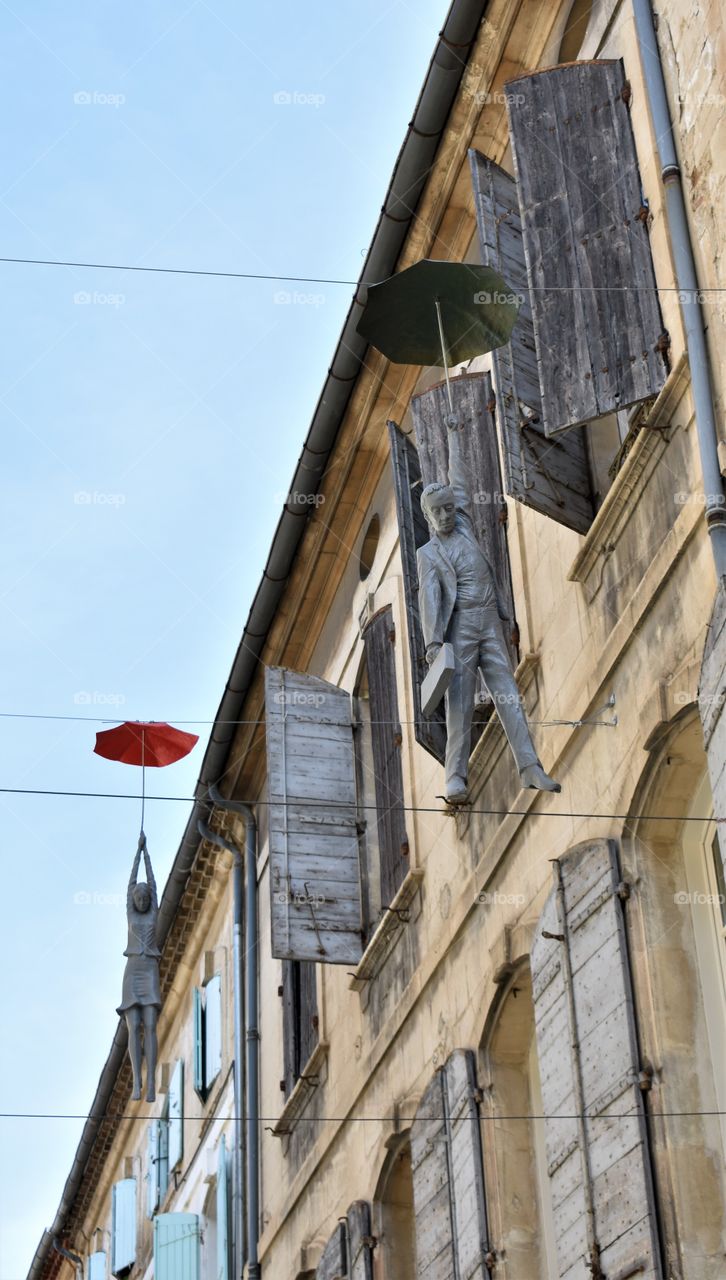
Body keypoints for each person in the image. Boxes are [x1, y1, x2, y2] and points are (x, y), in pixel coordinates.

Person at [417, 410, 561, 804]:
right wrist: (433, 643)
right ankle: (454, 779)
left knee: (508, 692)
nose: (446, 515)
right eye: (439, 512)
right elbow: (428, 595)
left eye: (449, 508)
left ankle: (530, 766)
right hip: (460, 626)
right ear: (428, 518)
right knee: (459, 703)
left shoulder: (461, 523)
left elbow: (459, 480)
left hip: (488, 622)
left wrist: (453, 435)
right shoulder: (429, 553)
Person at [117, 834, 161, 1101]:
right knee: (133, 1025)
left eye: (145, 898)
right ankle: (137, 1081)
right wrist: (137, 853)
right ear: (134, 901)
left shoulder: (153, 913)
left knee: (151, 1024)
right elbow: (131, 883)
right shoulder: (131, 914)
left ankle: (153, 1082)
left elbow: (154, 883)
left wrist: (147, 855)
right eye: (139, 898)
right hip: (132, 970)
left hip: (150, 969)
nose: (143, 901)